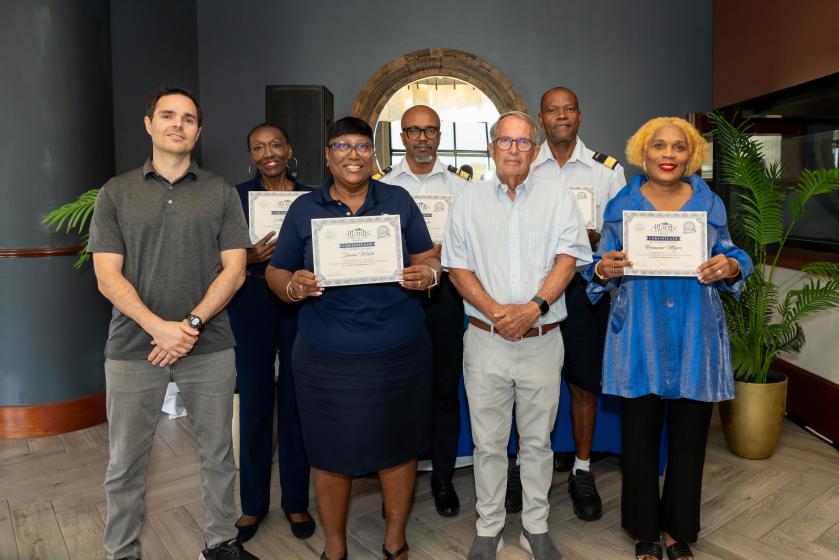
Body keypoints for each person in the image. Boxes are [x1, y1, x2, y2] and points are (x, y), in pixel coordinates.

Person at [87, 86, 258, 560]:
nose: (177, 124)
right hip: (132, 347)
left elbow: (236, 269)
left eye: (187, 118)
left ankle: (221, 543)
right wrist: (158, 328)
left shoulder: (220, 192)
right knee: (124, 461)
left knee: (219, 455)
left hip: (210, 346)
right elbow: (106, 274)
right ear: (149, 124)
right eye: (168, 115)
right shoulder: (115, 193)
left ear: (198, 131)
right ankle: (121, 551)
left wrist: (189, 324)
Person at [266, 116, 441, 560]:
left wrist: (429, 274)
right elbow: (275, 269)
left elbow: (427, 257)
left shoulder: (398, 200)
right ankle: (335, 545)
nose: (353, 155)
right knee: (328, 453)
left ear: (374, 156)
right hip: (326, 356)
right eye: (342, 147)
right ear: (327, 156)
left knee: (398, 449)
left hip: (399, 351)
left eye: (362, 147)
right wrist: (292, 287)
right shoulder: (305, 208)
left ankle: (395, 539)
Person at [585, 117, 753, 560]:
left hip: (697, 335)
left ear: (691, 156)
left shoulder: (708, 202)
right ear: (643, 152)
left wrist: (731, 267)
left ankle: (679, 530)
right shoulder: (621, 205)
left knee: (690, 437)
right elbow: (600, 263)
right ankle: (644, 531)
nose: (668, 155)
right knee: (638, 437)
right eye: (659, 146)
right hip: (638, 334)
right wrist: (604, 268)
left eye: (679, 148)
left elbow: (732, 254)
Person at [443, 111, 591, 560]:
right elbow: (456, 266)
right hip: (485, 339)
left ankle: (535, 527)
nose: (513, 149)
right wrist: (495, 312)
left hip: (542, 338)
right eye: (505, 141)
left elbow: (568, 259)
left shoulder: (558, 197)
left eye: (523, 142)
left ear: (535, 148)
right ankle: (488, 528)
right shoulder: (468, 200)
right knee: (487, 441)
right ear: (492, 146)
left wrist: (533, 308)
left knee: (538, 441)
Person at [508, 86, 627, 520]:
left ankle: (581, 468)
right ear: (541, 117)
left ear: (580, 115)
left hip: (584, 292)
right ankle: (521, 465)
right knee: (525, 383)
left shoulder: (606, 172)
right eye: (553, 110)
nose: (561, 116)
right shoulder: (523, 164)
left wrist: (594, 241)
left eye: (569, 109)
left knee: (582, 384)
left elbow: (620, 236)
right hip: (529, 289)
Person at [227, 122, 316, 542]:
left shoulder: (311, 197)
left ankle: (296, 502)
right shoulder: (234, 198)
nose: (269, 153)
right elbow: (215, 253)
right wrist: (246, 255)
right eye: (259, 147)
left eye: (275, 144)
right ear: (251, 155)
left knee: (297, 403)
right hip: (251, 303)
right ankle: (252, 505)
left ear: (289, 148)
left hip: (299, 304)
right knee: (256, 403)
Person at [379, 105, 468, 517]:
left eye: (429, 130)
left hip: (447, 296)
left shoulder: (461, 186)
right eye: (413, 130)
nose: (421, 138)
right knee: (397, 389)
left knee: (445, 388)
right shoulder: (381, 186)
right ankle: (398, 479)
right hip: (399, 298)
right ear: (402, 135)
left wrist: (444, 255)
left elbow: (473, 241)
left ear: (439, 134)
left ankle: (443, 478)